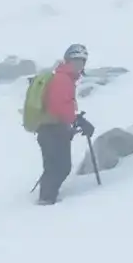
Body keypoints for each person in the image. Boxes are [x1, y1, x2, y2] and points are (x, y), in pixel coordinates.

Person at [35, 43, 95, 205]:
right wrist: (77, 120)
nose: (79, 65)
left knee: (55, 166)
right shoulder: (62, 79)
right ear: (68, 61)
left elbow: (63, 105)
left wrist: (75, 119)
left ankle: (47, 197)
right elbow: (59, 106)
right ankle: (46, 200)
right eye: (76, 61)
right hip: (52, 129)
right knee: (59, 167)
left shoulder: (64, 78)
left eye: (82, 61)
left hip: (52, 128)